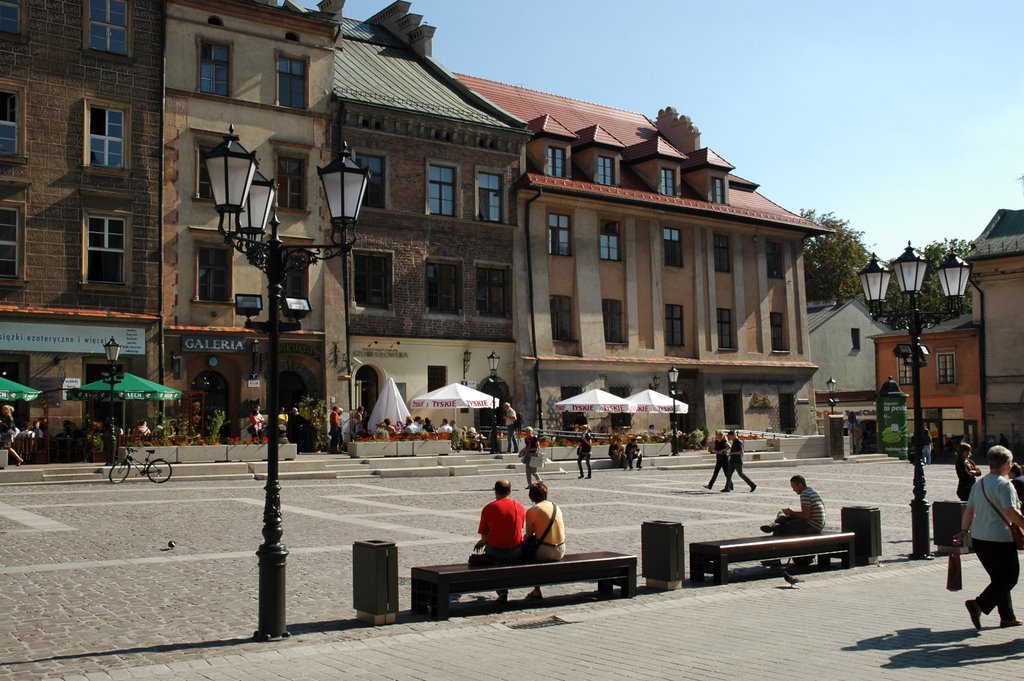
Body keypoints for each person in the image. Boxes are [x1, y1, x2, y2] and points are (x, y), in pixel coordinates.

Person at [955, 446, 1024, 629]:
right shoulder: (1004, 484)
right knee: (1009, 578)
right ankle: (978, 604)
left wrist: (963, 531)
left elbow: (969, 510)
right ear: (1006, 464)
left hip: (979, 539)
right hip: (999, 538)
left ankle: (1007, 617)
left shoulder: (980, 484)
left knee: (999, 579)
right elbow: (1011, 512)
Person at [473, 479, 525, 603]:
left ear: (495, 491)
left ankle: (502, 592)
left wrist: (482, 542)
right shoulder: (520, 507)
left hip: (496, 552)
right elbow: (519, 528)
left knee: (491, 555)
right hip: (516, 552)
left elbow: (484, 538)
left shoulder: (489, 508)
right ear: (510, 491)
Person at [522, 482, 566, 599]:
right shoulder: (556, 506)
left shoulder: (533, 510)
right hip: (561, 549)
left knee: (525, 553)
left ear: (531, 497)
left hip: (545, 551)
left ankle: (536, 589)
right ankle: (536, 590)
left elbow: (529, 534)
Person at [761, 475, 826, 535]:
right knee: (786, 518)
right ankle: (774, 525)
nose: (793, 490)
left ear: (800, 485)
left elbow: (805, 516)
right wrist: (791, 513)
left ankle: (775, 528)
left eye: (794, 487)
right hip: (817, 524)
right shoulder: (810, 491)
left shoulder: (805, 494)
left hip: (812, 526)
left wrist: (791, 512)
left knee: (781, 528)